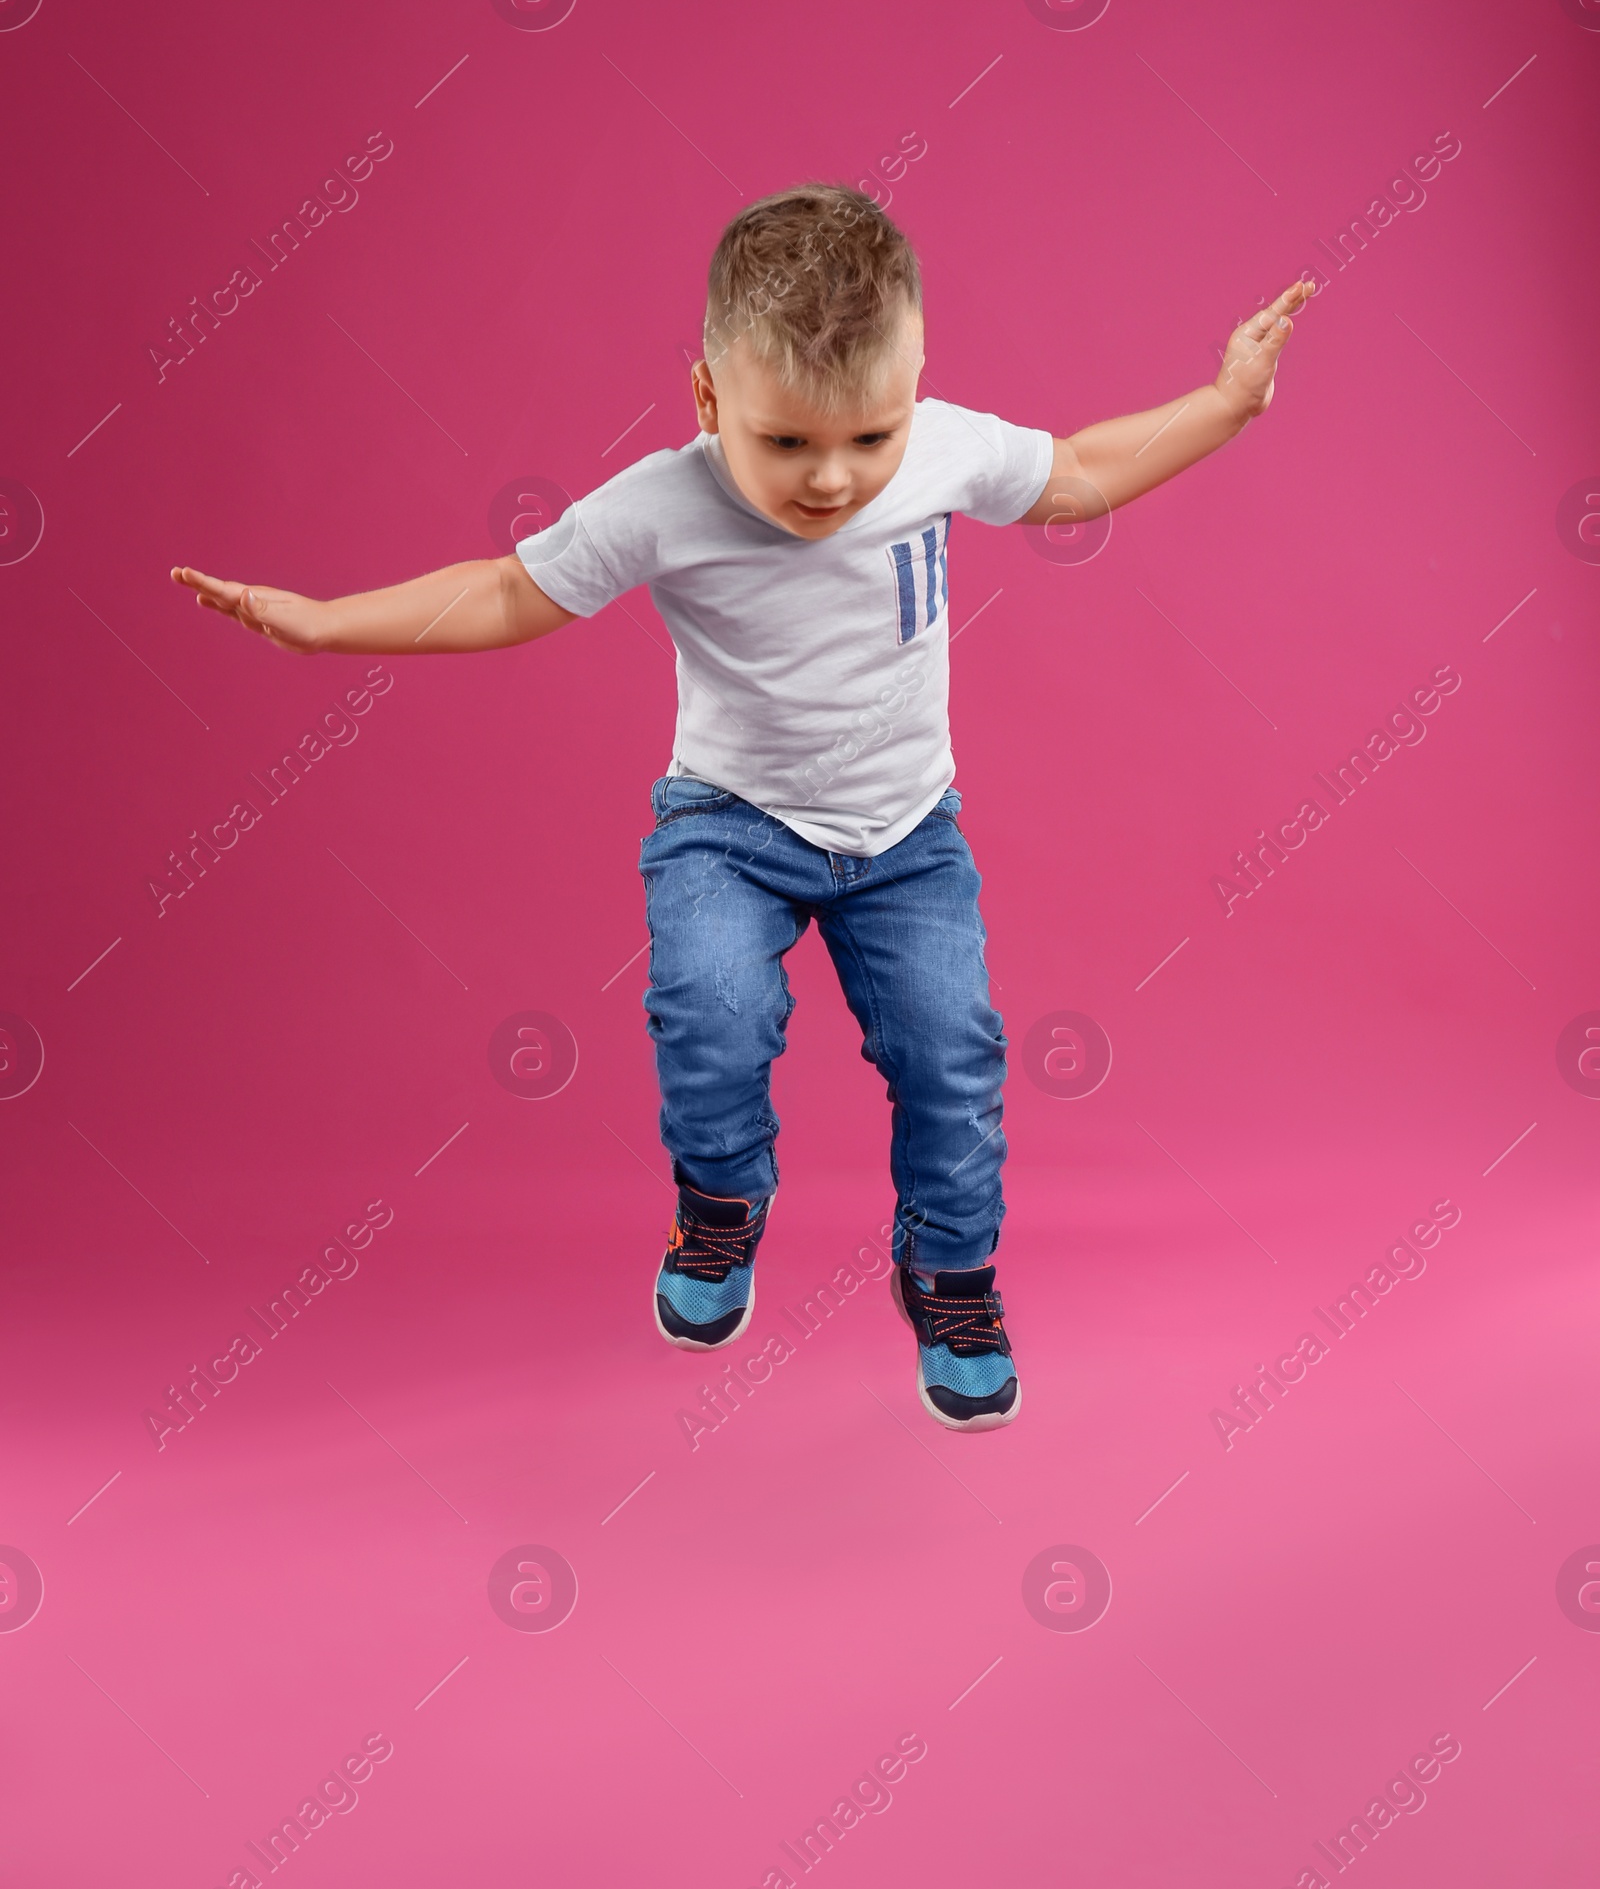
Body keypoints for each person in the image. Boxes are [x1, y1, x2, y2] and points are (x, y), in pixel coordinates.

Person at [173, 184, 1308, 1432]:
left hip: (904, 839)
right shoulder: (664, 502)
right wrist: (327, 626)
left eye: (867, 439)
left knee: (953, 1052)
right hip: (730, 825)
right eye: (785, 445)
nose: (832, 478)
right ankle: (720, 1203)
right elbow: (508, 591)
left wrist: (1222, 404)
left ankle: (950, 1274)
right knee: (710, 1015)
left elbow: (1081, 470)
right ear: (710, 400)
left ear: (916, 387)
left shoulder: (939, 448)